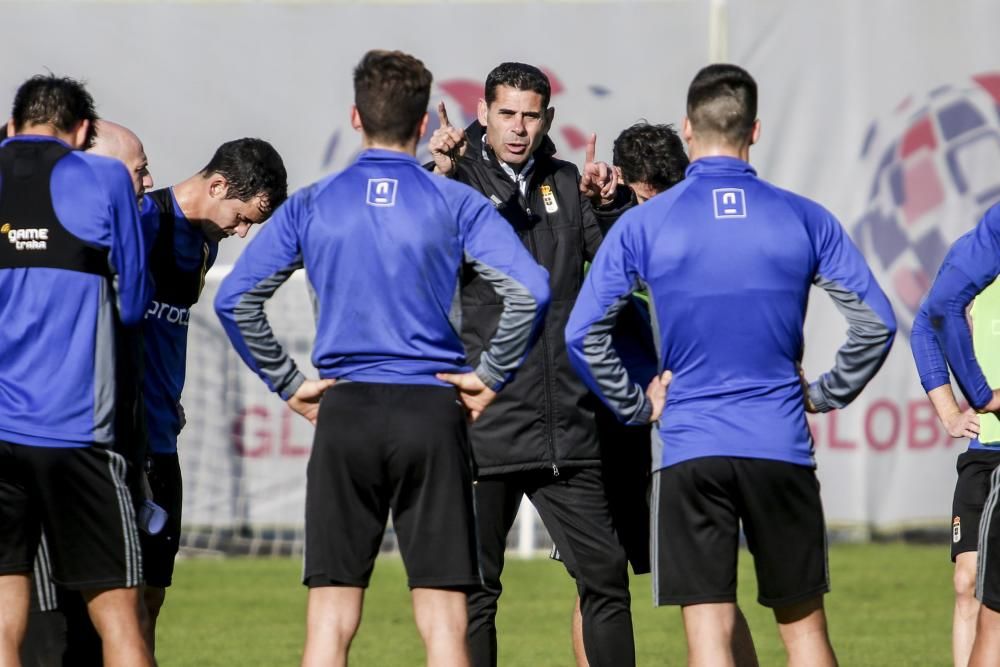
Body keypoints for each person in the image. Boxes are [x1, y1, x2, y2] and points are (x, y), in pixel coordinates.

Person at [214, 49, 551, 667]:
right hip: (432, 411)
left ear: (354, 116)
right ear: (424, 123)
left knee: (331, 619)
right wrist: (489, 378)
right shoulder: (453, 202)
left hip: (347, 411)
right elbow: (531, 289)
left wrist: (288, 383)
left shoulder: (314, 203)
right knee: (446, 620)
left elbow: (236, 300)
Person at [566, 64, 897, 667]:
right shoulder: (804, 216)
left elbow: (582, 332)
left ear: (688, 131)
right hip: (781, 446)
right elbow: (877, 323)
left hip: (690, 450)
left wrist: (637, 404)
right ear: (756, 130)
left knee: (710, 638)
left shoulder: (646, 221)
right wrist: (823, 393)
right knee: (805, 635)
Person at [426, 61, 636, 667]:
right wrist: (434, 176)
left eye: (532, 115)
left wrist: (613, 201)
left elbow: (629, 259)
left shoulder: (568, 182)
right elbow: (405, 246)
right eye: (507, 114)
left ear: (549, 118)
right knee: (473, 594)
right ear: (484, 113)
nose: (519, 128)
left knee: (606, 581)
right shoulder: (451, 177)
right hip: (480, 425)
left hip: (568, 426)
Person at [0, 74, 154, 667]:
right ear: (84, 131)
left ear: (12, 126)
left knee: (6, 610)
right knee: (120, 615)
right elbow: (135, 302)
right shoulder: (104, 176)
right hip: (74, 431)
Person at [139, 136, 288, 652]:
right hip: (114, 443)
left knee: (151, 598)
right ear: (218, 184)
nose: (244, 232)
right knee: (103, 598)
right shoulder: (141, 222)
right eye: (243, 217)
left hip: (161, 440)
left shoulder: (208, 240)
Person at [920, 203, 1000, 667]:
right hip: (985, 453)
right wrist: (953, 408)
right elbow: (925, 324)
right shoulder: (977, 261)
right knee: (966, 582)